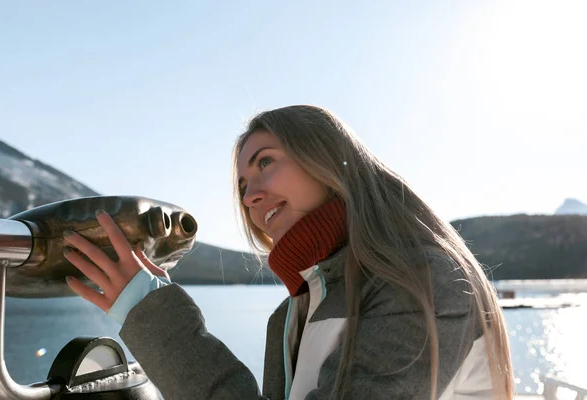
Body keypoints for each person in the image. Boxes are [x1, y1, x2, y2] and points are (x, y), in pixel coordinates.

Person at [62, 105, 514, 399]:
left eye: (265, 163)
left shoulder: (426, 283)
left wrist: (156, 316)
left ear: (329, 159)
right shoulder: (294, 311)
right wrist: (149, 310)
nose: (250, 196)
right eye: (241, 185)